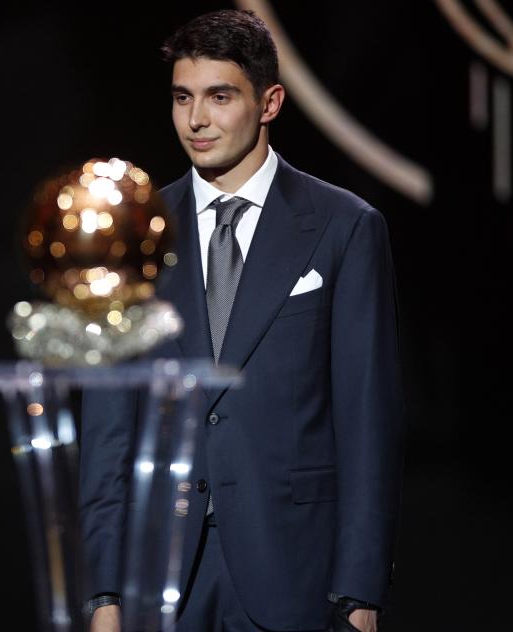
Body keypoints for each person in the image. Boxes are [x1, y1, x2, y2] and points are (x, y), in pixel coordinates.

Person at [80, 10, 405, 632]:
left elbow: (369, 420)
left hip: (297, 573)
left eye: (219, 97)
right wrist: (103, 594)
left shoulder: (343, 227)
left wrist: (361, 594)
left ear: (270, 102)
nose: (196, 120)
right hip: (160, 579)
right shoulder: (133, 235)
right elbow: (108, 428)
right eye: (182, 98)